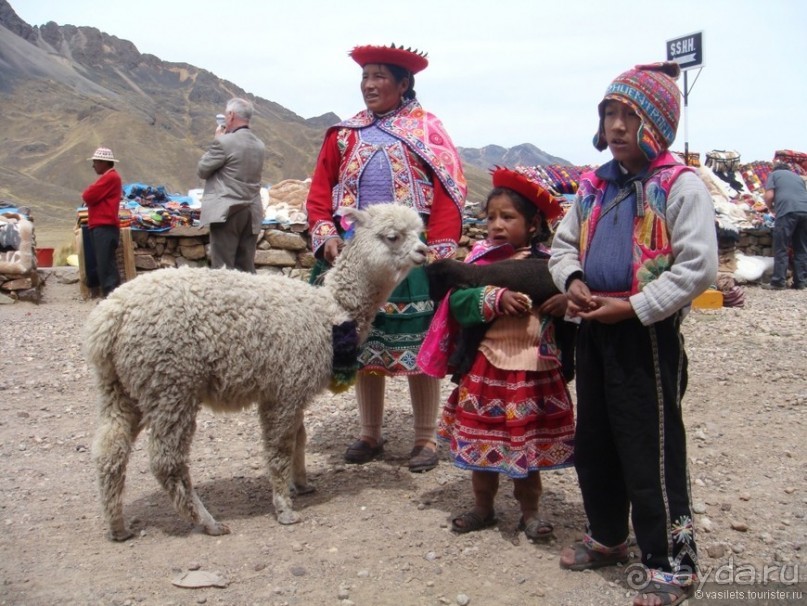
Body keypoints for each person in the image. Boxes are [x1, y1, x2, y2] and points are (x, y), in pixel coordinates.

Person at [548, 62, 718, 606]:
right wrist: (572, 279)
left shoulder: (679, 185)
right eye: (609, 113)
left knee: (651, 446)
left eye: (630, 115)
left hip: (646, 334)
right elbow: (561, 246)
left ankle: (674, 564)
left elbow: (697, 268)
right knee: (595, 439)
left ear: (657, 124)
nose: (617, 126)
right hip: (594, 330)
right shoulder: (594, 184)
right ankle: (608, 536)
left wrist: (635, 306)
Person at [306, 43, 465, 472]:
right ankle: (369, 433)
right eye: (365, 77)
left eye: (379, 77)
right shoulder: (345, 134)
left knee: (419, 347)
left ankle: (426, 438)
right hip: (359, 257)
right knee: (363, 341)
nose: (370, 85)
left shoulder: (427, 131)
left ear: (403, 83)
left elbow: (449, 193)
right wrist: (326, 236)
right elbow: (321, 192)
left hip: (410, 258)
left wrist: (441, 252)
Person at [422, 167, 574, 538]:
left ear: (534, 221)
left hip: (534, 367)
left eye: (508, 217)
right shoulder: (479, 263)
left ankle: (530, 511)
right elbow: (457, 303)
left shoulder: (554, 265)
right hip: (487, 366)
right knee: (482, 443)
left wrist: (564, 303)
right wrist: (493, 298)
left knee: (529, 444)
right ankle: (483, 507)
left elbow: (576, 304)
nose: (496, 225)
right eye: (491, 217)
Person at [198, 97, 265, 272]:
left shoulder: (224, 142)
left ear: (231, 115)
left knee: (223, 268)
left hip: (228, 211)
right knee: (246, 266)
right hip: (252, 211)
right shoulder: (259, 145)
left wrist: (217, 139)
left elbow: (203, 169)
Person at [82, 147, 123, 297]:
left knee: (105, 264)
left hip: (104, 226)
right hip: (103, 226)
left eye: (96, 162)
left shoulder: (110, 178)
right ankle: (112, 296)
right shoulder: (110, 177)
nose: (93, 165)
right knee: (105, 262)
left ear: (104, 162)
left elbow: (88, 195)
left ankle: (110, 296)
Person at [762, 163, 807, 290]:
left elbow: (769, 195)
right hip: (805, 211)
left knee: (781, 246)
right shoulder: (798, 177)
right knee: (801, 247)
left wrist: (770, 207)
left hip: (787, 211)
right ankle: (800, 282)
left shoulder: (774, 175)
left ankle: (778, 282)